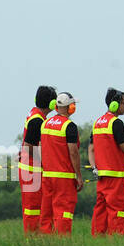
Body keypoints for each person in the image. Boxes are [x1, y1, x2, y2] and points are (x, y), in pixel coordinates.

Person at [89, 88, 124, 236]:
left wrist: (93, 167)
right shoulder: (116, 123)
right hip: (116, 177)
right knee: (117, 211)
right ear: (115, 105)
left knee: (100, 211)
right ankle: (116, 239)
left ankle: (97, 239)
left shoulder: (97, 123)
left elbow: (91, 149)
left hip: (101, 176)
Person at [39, 91, 82, 235]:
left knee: (46, 212)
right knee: (64, 212)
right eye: (73, 104)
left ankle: (44, 242)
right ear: (69, 107)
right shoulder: (69, 126)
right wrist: (79, 176)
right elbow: (73, 152)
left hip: (47, 176)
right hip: (64, 178)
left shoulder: (45, 124)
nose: (74, 107)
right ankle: (62, 244)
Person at [18, 85, 56, 234]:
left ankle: (36, 237)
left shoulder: (35, 115)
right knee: (33, 209)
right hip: (32, 171)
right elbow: (28, 146)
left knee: (35, 207)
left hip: (31, 169)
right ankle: (32, 239)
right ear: (52, 104)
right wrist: (46, 160)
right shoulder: (37, 120)